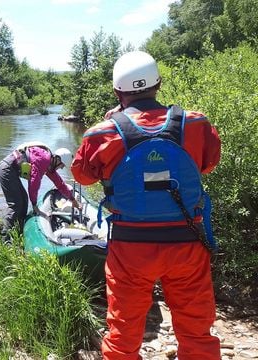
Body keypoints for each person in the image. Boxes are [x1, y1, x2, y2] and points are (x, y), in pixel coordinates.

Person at [71, 51, 221, 360]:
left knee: (123, 332)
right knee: (197, 331)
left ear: (117, 92)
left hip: (131, 247)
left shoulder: (102, 133)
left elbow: (82, 177)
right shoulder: (195, 123)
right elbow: (206, 166)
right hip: (187, 243)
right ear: (159, 84)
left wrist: (110, 124)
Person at [0, 142, 81, 244]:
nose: (61, 168)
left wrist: (72, 199)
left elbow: (60, 184)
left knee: (24, 200)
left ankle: (18, 232)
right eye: (62, 165)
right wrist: (34, 205)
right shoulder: (43, 160)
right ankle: (6, 240)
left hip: (11, 171)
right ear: (57, 159)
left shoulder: (49, 165)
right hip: (7, 169)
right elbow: (34, 183)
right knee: (16, 204)